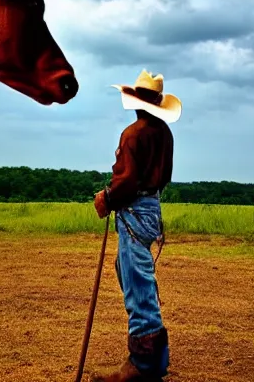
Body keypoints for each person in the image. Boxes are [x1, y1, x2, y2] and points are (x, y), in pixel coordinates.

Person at [92, 69, 182, 382]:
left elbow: (127, 183)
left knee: (137, 284)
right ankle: (154, 362)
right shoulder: (164, 134)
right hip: (152, 208)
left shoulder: (134, 134)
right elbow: (163, 177)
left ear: (135, 102)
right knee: (134, 274)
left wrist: (107, 198)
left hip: (134, 210)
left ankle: (143, 366)